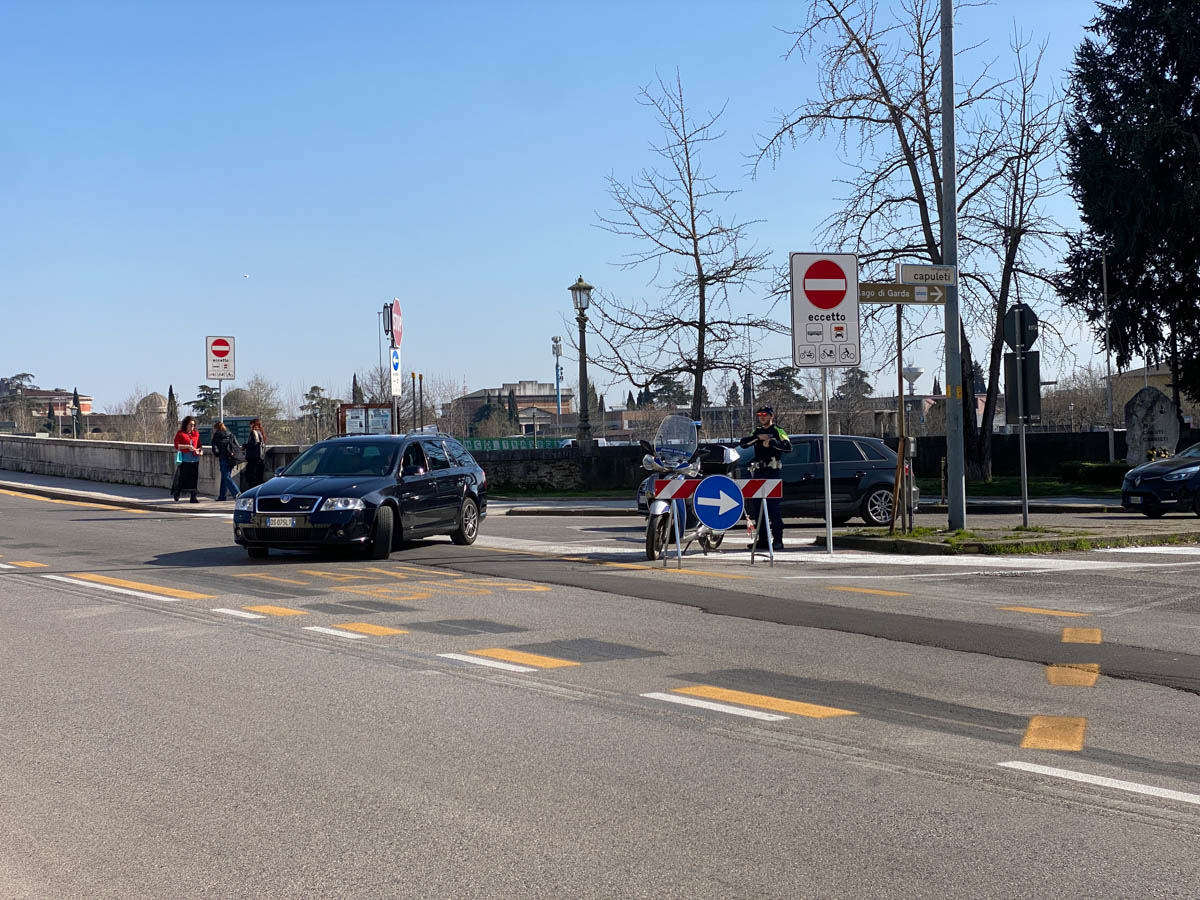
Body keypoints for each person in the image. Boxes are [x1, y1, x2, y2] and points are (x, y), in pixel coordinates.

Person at [739, 405, 792, 550]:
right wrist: (757, 438)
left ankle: (778, 540)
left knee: (773, 507)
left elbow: (788, 446)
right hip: (758, 472)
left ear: (771, 416)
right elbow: (743, 443)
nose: (762, 417)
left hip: (772, 472)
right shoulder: (757, 431)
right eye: (760, 415)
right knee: (758, 507)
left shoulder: (778, 431)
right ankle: (763, 539)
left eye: (765, 414)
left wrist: (772, 442)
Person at [172, 416, 203, 503]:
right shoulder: (181, 433)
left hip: (195, 459)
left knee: (194, 478)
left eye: (193, 425)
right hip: (185, 459)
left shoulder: (196, 434)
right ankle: (177, 492)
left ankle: (193, 497)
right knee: (183, 477)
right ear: (186, 424)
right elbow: (176, 445)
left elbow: (199, 445)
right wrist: (187, 446)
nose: (192, 427)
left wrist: (200, 451)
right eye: (190, 425)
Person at [210, 421, 243, 501]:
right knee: (224, 477)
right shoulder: (230, 434)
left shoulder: (216, 436)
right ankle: (222, 496)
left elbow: (215, 449)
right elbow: (237, 446)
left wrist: (219, 454)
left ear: (216, 428)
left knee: (226, 477)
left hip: (223, 458)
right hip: (231, 458)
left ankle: (237, 493)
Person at [242, 419, 267, 490]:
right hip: (260, 458)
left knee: (250, 475)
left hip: (253, 458)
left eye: (251, 424)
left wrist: (245, 446)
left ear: (254, 424)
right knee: (258, 476)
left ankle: (252, 490)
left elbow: (254, 443)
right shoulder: (260, 432)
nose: (250, 426)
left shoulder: (254, 432)